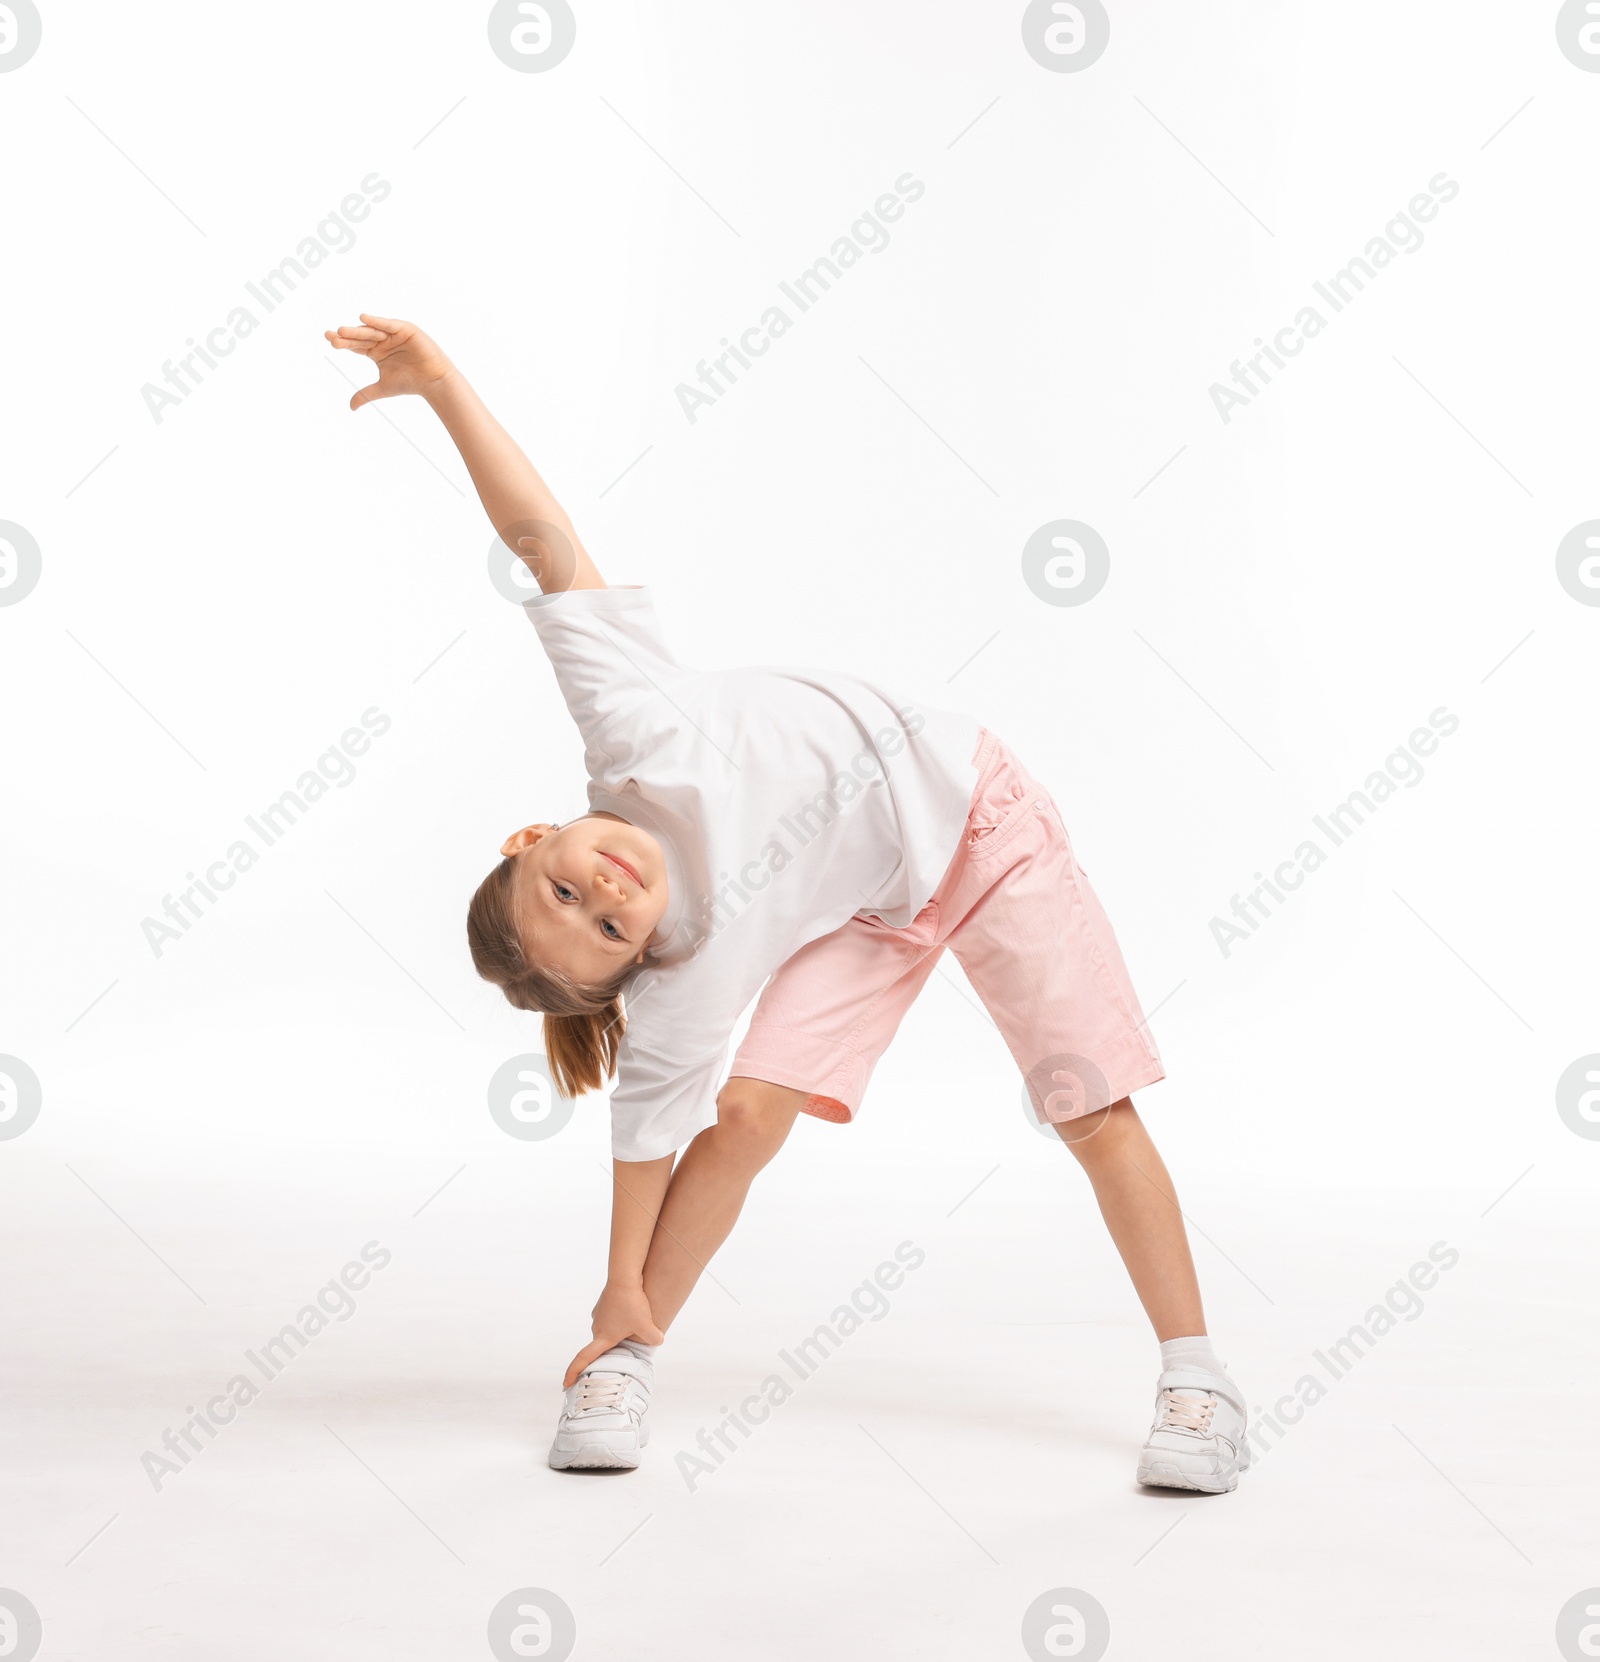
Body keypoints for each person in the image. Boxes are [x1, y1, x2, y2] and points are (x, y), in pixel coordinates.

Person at [325, 313, 1250, 1494]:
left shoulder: (629, 721)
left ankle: (1197, 1375)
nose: (610, 892)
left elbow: (541, 544)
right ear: (637, 964)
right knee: (746, 1118)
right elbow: (644, 1141)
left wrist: (445, 387)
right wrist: (618, 1292)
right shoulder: (683, 964)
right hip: (866, 909)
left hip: (980, 824)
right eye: (608, 930)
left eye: (568, 880)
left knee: (1085, 1106)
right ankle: (624, 1360)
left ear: (533, 833)